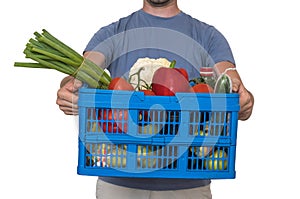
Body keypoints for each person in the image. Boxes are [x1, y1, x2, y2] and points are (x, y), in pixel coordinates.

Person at [56, 0, 254, 198]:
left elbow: (229, 77)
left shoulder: (207, 36)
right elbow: (86, 68)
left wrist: (243, 97)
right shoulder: (113, 33)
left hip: (188, 183)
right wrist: (72, 86)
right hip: (118, 182)